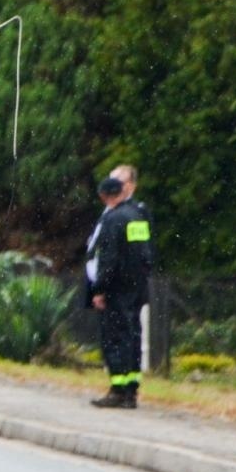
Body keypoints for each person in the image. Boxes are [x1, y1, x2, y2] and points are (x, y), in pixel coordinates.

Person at [87, 174, 153, 409]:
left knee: (115, 339)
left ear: (105, 196)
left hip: (116, 289)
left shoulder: (112, 220)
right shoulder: (137, 217)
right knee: (133, 336)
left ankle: (117, 390)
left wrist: (100, 289)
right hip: (136, 288)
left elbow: (108, 259)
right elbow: (146, 254)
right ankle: (131, 390)